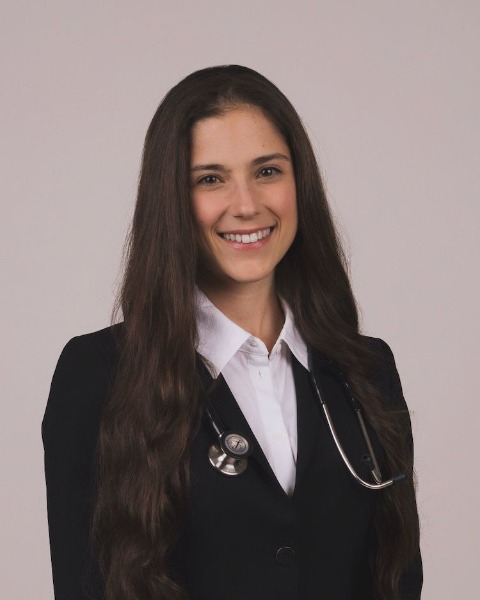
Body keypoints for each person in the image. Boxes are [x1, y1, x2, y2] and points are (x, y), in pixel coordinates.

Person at [42, 65, 422, 600]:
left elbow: (397, 577)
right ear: (171, 200)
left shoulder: (366, 369)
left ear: (300, 183)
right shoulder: (99, 375)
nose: (246, 205)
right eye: (210, 179)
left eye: (267, 171)